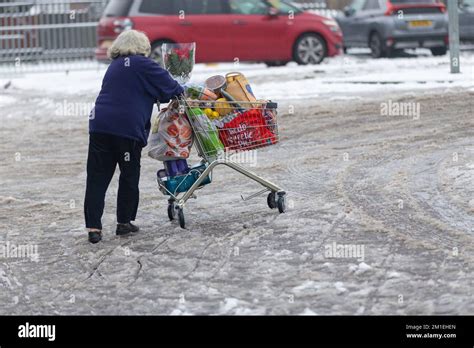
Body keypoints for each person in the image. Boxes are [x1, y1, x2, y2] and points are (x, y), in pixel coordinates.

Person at [84, 30, 184, 244]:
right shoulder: (142, 63)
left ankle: (93, 228)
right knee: (129, 175)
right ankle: (123, 222)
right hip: (126, 129)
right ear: (143, 47)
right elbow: (172, 88)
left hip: (100, 126)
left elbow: (134, 89)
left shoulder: (115, 66)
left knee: (97, 178)